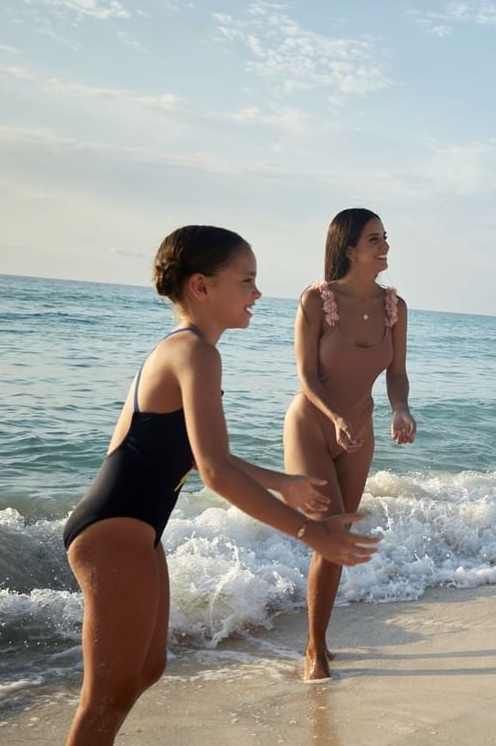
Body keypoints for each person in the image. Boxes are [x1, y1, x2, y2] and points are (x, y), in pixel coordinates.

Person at [62, 226, 380, 745]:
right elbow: (215, 472)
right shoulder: (195, 354)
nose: (257, 293)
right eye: (246, 281)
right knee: (107, 697)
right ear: (201, 287)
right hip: (112, 534)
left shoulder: (189, 352)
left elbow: (196, 453)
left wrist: (283, 482)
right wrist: (310, 533)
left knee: (147, 670)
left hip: (132, 531)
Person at [284, 208, 417, 680]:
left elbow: (396, 373)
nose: (384, 247)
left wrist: (400, 408)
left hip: (358, 431)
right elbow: (304, 374)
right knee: (332, 535)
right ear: (349, 249)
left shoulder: (394, 308)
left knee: (337, 542)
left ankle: (318, 639)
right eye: (374, 239)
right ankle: (314, 650)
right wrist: (335, 415)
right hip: (313, 425)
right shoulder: (316, 301)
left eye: (385, 238)